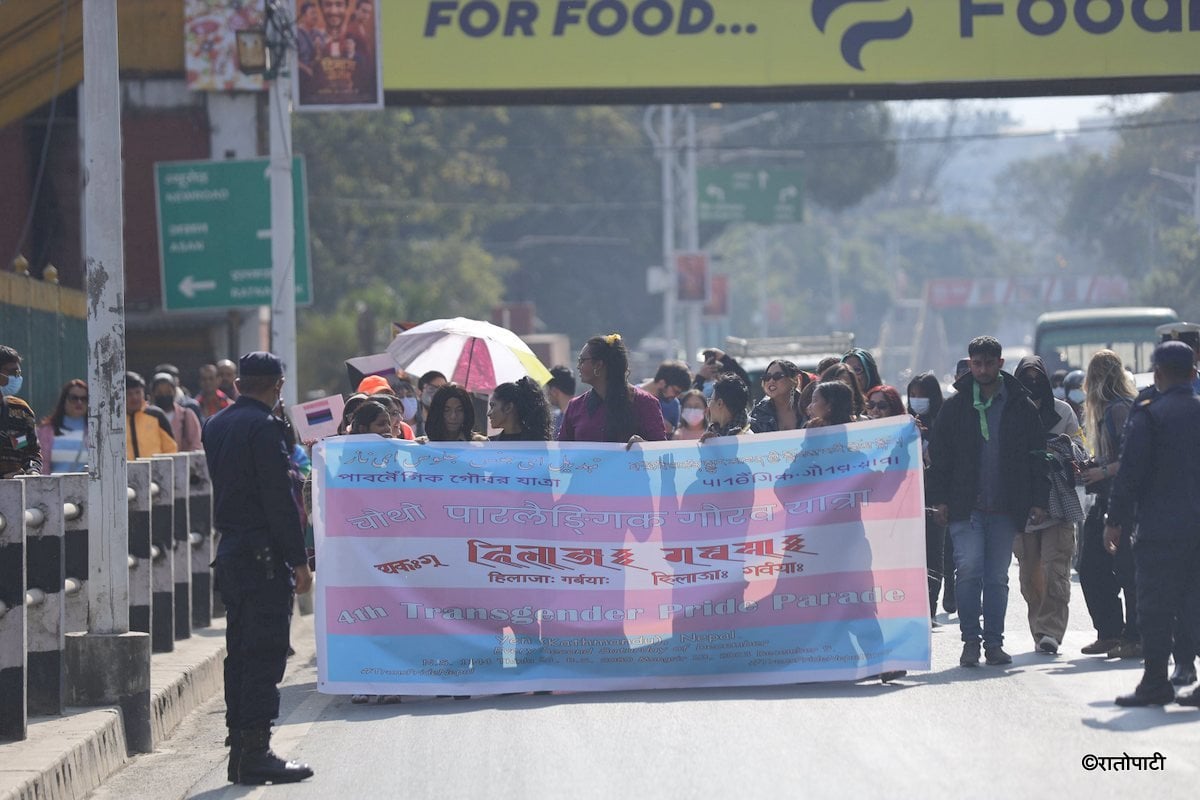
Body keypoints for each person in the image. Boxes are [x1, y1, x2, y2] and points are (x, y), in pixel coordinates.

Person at [202, 352, 313, 785]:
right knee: (265, 655)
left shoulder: (217, 424)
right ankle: (257, 753)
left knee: (241, 655)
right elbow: (279, 499)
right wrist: (299, 560)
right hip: (263, 557)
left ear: (238, 384)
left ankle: (240, 750)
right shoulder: (264, 428)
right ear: (278, 385)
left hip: (231, 551)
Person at [928, 336, 1049, 669]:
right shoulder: (954, 407)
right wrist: (938, 500)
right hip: (964, 507)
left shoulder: (1020, 406)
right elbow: (939, 458)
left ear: (1000, 364)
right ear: (969, 365)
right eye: (976, 364)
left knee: (996, 577)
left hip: (1005, 507)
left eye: (987, 363)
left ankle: (994, 643)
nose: (981, 369)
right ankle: (971, 641)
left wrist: (1038, 500)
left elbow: (1038, 456)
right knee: (967, 570)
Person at [1104, 341, 1200, 707]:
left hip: (1161, 530)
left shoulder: (1148, 413)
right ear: (1193, 373)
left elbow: (1130, 474)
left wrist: (1115, 521)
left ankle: (1156, 681)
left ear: (1156, 374)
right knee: (1196, 604)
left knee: (1156, 607)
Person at [1010, 355, 1086, 656]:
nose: (1031, 383)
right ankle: (1038, 627)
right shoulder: (1009, 413)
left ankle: (1050, 631)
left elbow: (1080, 450)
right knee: (1030, 577)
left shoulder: (1063, 412)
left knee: (1056, 571)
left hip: (1058, 505)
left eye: (1036, 376)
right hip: (1022, 505)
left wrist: (1059, 449)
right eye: (1024, 377)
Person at [1077, 349, 1141, 660]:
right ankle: (1110, 632)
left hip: (1124, 499)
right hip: (1105, 497)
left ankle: (1134, 635)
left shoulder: (1119, 410)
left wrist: (1101, 470)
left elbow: (1132, 459)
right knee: (1090, 566)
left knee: (1127, 569)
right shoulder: (1105, 412)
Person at [559, 334, 667, 445]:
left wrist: (643, 446)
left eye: (582, 360)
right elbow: (562, 453)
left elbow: (660, 452)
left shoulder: (645, 403)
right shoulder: (575, 406)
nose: (578, 366)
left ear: (599, 365)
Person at [907, 372, 948, 622]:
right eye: (913, 395)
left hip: (934, 496)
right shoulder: (904, 422)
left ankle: (930, 608)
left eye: (922, 395)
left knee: (934, 552)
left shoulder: (943, 423)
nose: (917, 400)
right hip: (907, 498)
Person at [0, 345, 40, 478]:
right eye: (13, 373)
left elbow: (31, 450)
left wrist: (32, 471)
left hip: (17, 493)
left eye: (19, 373)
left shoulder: (21, 411)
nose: (17, 378)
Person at [36, 380, 89, 474]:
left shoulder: (95, 431)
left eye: (84, 399)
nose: (79, 402)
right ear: (64, 400)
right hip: (52, 487)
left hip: (86, 487)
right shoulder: (46, 431)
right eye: (74, 398)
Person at [125, 372, 177, 459]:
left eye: (138, 392)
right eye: (129, 394)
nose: (134, 397)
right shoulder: (116, 421)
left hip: (156, 470)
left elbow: (171, 449)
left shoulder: (156, 415)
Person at [749, 360, 806, 433]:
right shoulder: (758, 413)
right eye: (767, 377)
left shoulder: (808, 407)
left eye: (777, 376)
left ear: (794, 380)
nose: (771, 380)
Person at [488, 377, 552, 441]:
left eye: (493, 406)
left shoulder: (536, 445)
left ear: (508, 407)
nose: (488, 414)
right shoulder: (489, 444)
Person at [152, 373, 203, 451]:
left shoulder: (186, 415)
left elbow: (196, 445)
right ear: (153, 393)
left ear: (174, 392)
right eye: (160, 392)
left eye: (168, 392)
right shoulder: (147, 416)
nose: (164, 395)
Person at [640, 360, 691, 437]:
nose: (676, 396)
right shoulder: (632, 395)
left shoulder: (673, 404)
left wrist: (671, 431)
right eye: (675, 391)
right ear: (662, 383)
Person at [423, 384, 488, 442]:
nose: (453, 416)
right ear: (437, 412)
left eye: (459, 410)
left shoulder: (480, 444)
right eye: (446, 410)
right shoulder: (424, 445)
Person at [699, 373, 753, 441]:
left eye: (710, 400)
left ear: (719, 403)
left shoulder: (747, 438)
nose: (709, 406)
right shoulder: (712, 435)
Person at [545, 366, 576, 438]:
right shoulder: (583, 414)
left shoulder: (553, 422)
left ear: (554, 391)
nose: (547, 394)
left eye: (548, 390)